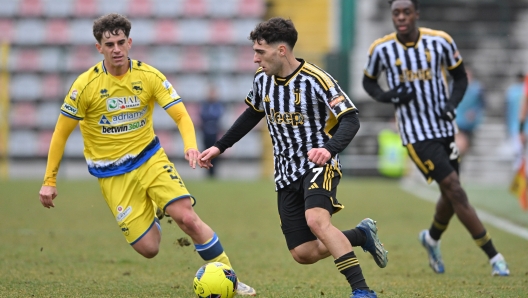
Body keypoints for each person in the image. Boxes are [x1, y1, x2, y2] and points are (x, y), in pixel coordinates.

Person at [37, 13, 256, 296]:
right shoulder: (84, 86)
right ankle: (151, 209)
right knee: (149, 249)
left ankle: (232, 280)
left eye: (120, 42)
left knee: (186, 218)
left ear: (129, 42)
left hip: (150, 159)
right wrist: (49, 179)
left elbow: (180, 114)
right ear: (98, 48)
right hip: (112, 174)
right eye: (109, 44)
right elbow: (60, 133)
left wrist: (190, 145)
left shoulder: (148, 76)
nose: (116, 49)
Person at [199, 17, 387, 298]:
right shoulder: (262, 80)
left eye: (260, 52)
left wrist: (329, 149)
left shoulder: (317, 79)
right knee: (304, 252)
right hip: (285, 172)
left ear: (282, 51)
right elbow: (252, 113)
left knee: (317, 222)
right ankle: (361, 235)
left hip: (317, 164)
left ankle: (362, 291)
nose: (254, 59)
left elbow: (350, 119)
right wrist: (220, 146)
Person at [362, 0, 509, 276]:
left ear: (417, 14)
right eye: (396, 13)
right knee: (454, 188)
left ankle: (431, 238)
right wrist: (389, 96)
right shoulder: (381, 48)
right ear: (392, 17)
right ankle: (494, 256)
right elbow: (368, 82)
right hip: (416, 134)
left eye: (407, 12)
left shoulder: (440, 41)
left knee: (450, 193)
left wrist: (452, 104)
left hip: (444, 127)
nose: (401, 17)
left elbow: (460, 78)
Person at [454, 67, 485, 156]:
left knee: (465, 142)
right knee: (460, 141)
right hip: (457, 120)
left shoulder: (477, 88)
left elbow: (482, 104)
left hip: (470, 122)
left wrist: (474, 112)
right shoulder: (454, 86)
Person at [199, 86, 224, 178]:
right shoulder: (204, 104)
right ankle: (207, 172)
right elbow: (203, 115)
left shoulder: (218, 104)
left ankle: (214, 172)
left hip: (215, 132)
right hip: (205, 132)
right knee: (205, 151)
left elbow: (217, 115)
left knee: (215, 152)